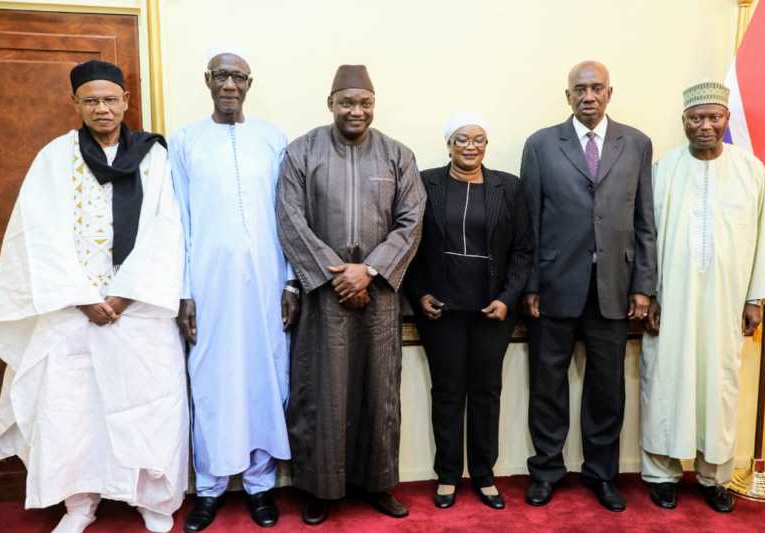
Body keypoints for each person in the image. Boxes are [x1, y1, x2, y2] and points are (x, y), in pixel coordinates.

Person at [0, 60, 187, 533]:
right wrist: (81, 297)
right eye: (91, 100)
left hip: (138, 307)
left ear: (125, 102)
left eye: (110, 99)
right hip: (71, 308)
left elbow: (167, 228)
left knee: (148, 403)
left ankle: (151, 500)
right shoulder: (55, 157)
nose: (102, 108)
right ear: (74, 104)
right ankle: (80, 504)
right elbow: (36, 233)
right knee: (71, 410)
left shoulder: (153, 157)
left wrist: (121, 296)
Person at [276, 64, 425, 525]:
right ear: (331, 104)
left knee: (379, 392)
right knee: (322, 390)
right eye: (347, 102)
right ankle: (320, 488)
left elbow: (412, 219)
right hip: (323, 297)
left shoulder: (398, 155)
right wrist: (337, 274)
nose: (356, 110)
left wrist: (371, 271)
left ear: (373, 105)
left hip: (379, 296)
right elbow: (290, 218)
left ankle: (379, 484)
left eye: (364, 102)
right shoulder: (302, 152)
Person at [169, 48, 298, 531]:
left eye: (238, 76)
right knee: (211, 381)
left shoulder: (272, 138)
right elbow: (178, 221)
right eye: (221, 75)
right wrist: (185, 291)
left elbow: (288, 217)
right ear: (207, 80)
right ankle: (209, 488)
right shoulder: (184, 142)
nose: (229, 84)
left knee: (267, 378)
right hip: (208, 284)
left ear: (250, 83)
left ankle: (262, 487)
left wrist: (291, 281)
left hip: (267, 283)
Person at [640, 81, 765, 513]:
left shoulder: (750, 170)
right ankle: (662, 473)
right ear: (683, 121)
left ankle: (713, 476)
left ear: (726, 120)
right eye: (696, 118)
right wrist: (649, 294)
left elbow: (761, 238)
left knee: (720, 386)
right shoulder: (664, 168)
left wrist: (755, 298)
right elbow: (647, 237)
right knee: (666, 380)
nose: (705, 126)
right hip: (673, 299)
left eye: (713, 117)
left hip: (726, 302)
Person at [520, 60, 656, 511]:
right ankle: (546, 470)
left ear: (610, 93)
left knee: (607, 388)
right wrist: (531, 284)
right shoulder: (540, 145)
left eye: (597, 88)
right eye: (580, 89)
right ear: (568, 96)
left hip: (614, 287)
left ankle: (601, 474)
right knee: (547, 385)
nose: (588, 96)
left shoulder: (635, 144)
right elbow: (531, 222)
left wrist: (644, 285)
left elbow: (645, 222)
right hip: (554, 285)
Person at [405, 113, 533, 510]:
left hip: (491, 310)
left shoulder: (508, 187)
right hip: (441, 310)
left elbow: (524, 249)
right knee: (446, 392)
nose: (470, 146)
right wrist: (419, 293)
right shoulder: (425, 184)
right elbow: (408, 242)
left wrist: (508, 299)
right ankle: (447, 475)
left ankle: (483, 474)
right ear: (448, 145)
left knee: (486, 392)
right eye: (462, 139)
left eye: (478, 139)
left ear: (486, 145)